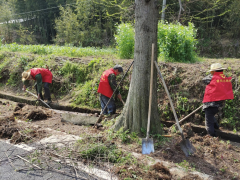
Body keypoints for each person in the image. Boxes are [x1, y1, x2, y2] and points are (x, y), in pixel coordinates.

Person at [202, 63, 234, 137]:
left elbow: (203, 80)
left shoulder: (211, 78)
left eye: (211, 72)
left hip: (210, 104)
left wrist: (212, 75)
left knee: (208, 122)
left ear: (213, 71)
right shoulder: (224, 78)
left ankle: (212, 136)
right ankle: (216, 126)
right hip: (219, 105)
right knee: (211, 115)